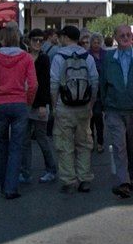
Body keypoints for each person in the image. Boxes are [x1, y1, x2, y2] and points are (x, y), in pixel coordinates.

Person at [0, 23, 37, 200]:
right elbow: (33, 84)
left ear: (2, 39)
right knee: (16, 147)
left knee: (1, 145)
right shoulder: (27, 57)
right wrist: (28, 101)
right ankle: (11, 187)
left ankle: (2, 184)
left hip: (0, 103)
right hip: (19, 103)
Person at [103, 24, 133, 199]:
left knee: (132, 146)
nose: (125, 37)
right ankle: (122, 181)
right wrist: (103, 106)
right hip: (114, 109)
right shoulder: (108, 57)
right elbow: (102, 83)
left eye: (128, 34)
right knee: (119, 145)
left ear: (132, 37)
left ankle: (131, 178)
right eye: (121, 34)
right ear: (115, 37)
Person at [50, 26, 98, 194]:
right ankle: (84, 178)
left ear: (64, 37)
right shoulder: (88, 56)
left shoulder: (59, 56)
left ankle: (69, 180)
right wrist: (91, 104)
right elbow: (94, 81)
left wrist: (54, 106)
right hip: (84, 106)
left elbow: (54, 83)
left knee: (64, 144)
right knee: (84, 143)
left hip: (64, 106)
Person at [20, 30, 56, 185]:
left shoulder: (44, 58)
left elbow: (45, 82)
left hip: (39, 103)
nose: (38, 43)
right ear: (29, 41)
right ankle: (25, 172)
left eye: (41, 41)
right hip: (25, 102)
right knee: (25, 139)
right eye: (35, 40)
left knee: (42, 138)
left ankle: (51, 169)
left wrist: (43, 104)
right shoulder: (24, 57)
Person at [86, 33, 108, 154]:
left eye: (98, 42)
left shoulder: (105, 54)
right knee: (91, 118)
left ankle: (100, 142)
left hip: (102, 89)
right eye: (94, 42)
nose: (96, 45)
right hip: (90, 89)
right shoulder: (87, 55)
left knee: (98, 117)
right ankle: (91, 141)